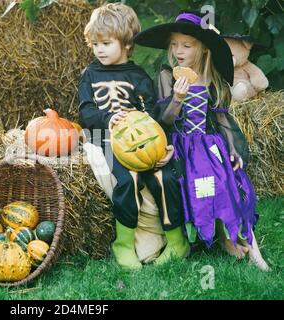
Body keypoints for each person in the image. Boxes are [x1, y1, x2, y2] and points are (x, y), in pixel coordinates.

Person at [134, 10, 270, 271]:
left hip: (209, 147)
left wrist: (233, 151)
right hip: (179, 146)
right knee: (202, 183)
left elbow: (222, 122)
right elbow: (164, 122)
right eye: (174, 44)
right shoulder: (166, 76)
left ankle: (248, 246)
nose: (178, 50)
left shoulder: (213, 80)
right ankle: (213, 236)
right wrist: (177, 99)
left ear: (204, 49)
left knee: (228, 180)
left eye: (187, 45)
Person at [78, 3, 190, 270]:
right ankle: (124, 244)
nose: (99, 49)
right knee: (127, 180)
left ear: (127, 43)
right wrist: (107, 119)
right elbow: (86, 112)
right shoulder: (90, 75)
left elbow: (150, 114)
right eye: (95, 44)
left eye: (106, 43)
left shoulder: (138, 76)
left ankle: (177, 243)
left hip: (141, 139)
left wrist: (159, 147)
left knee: (168, 177)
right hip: (106, 139)